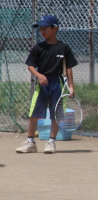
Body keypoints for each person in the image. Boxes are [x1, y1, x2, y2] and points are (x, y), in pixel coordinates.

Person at [16, 15, 78, 154]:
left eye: (45, 28)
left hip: (57, 84)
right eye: (40, 29)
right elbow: (30, 66)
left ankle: (51, 142)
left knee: (56, 114)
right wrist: (38, 75)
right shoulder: (38, 48)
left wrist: (71, 86)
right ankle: (30, 142)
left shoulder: (63, 48)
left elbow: (69, 67)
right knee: (34, 113)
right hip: (42, 85)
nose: (42, 31)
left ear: (55, 28)